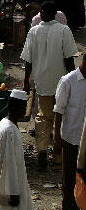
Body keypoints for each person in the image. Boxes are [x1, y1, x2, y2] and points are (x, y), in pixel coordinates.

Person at [21, 0, 78, 167]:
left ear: (42, 14)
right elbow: (69, 59)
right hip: (62, 81)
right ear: (55, 15)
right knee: (61, 115)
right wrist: (72, 79)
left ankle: (42, 149)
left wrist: (26, 81)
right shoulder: (64, 30)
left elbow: (28, 61)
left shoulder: (34, 31)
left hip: (42, 81)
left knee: (43, 116)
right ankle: (58, 154)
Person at [54, 54, 86, 210]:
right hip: (71, 138)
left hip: (84, 141)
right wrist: (57, 140)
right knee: (69, 179)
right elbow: (58, 111)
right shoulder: (68, 81)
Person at [0, 91, 32, 209]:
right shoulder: (9, 130)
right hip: (9, 187)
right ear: (18, 107)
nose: (25, 110)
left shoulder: (7, 124)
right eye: (24, 106)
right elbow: (9, 163)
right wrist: (13, 192)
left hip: (12, 182)